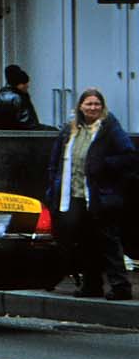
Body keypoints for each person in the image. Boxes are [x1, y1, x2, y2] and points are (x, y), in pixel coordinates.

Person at [43, 87, 135, 300]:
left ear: (102, 107)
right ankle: (91, 284)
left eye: (97, 104)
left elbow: (128, 157)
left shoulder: (110, 128)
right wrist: (52, 188)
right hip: (73, 194)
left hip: (100, 195)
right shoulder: (70, 130)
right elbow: (55, 162)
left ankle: (120, 286)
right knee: (84, 240)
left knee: (108, 240)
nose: (93, 108)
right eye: (89, 104)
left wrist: (104, 165)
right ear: (81, 106)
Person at [0, 65, 42, 129]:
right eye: (24, 83)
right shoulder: (17, 98)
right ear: (18, 84)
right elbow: (26, 122)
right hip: (18, 135)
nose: (27, 86)